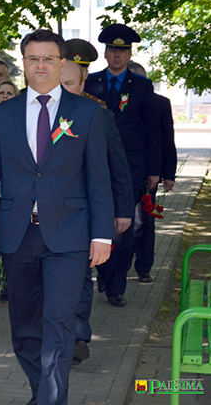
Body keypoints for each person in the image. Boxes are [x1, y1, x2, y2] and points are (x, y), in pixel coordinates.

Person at [0, 29, 115, 405]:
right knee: (25, 331)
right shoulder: (3, 114)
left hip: (69, 236)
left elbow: (99, 177)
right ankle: (41, 393)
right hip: (18, 236)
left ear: (63, 64)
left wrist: (103, 234)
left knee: (59, 327)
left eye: (48, 58)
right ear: (24, 64)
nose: (41, 65)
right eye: (33, 59)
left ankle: (49, 400)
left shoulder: (88, 113)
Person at [60, 39, 133, 365]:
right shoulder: (33, 113)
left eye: (71, 84)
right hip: (43, 212)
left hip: (85, 211)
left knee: (80, 274)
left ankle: (77, 336)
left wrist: (122, 210)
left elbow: (117, 166)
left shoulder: (100, 116)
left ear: (83, 83)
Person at [84, 24, 162, 307]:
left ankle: (116, 285)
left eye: (123, 50)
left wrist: (155, 170)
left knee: (124, 228)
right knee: (98, 222)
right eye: (113, 49)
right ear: (105, 53)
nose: (117, 55)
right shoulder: (90, 83)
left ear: (130, 54)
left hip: (130, 168)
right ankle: (103, 271)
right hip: (94, 165)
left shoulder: (142, 86)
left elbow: (152, 130)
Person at [127, 60, 177, 283]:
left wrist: (168, 174)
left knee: (144, 221)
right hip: (122, 172)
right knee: (122, 221)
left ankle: (144, 267)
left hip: (148, 173)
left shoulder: (159, 103)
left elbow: (166, 139)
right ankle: (120, 265)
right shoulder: (116, 102)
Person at [0, 78, 21, 298]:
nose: (5, 97)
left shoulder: (19, 122)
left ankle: (8, 283)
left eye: (10, 93)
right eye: (2, 93)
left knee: (7, 239)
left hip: (10, 192)